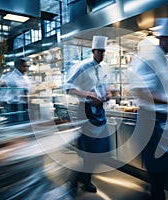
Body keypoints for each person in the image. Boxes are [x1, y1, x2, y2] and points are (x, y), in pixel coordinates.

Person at [127, 18, 168, 200]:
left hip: (162, 122)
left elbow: (166, 88)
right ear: (164, 38)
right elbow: (140, 91)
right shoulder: (149, 57)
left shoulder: (163, 59)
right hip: (151, 122)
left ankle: (156, 192)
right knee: (159, 170)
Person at [63, 35, 112, 194]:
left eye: (104, 51)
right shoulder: (82, 66)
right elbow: (68, 88)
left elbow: (105, 87)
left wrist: (108, 94)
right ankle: (75, 181)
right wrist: (89, 95)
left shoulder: (104, 67)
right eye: (100, 51)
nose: (102, 54)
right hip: (86, 112)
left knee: (100, 150)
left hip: (100, 112)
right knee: (89, 151)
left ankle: (85, 180)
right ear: (93, 51)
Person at [0, 58, 32, 123]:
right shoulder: (10, 77)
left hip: (25, 106)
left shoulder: (25, 77)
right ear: (19, 66)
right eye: (24, 66)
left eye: (27, 66)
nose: (26, 68)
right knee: (15, 125)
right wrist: (2, 101)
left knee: (25, 125)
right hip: (14, 107)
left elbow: (27, 90)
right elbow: (2, 88)